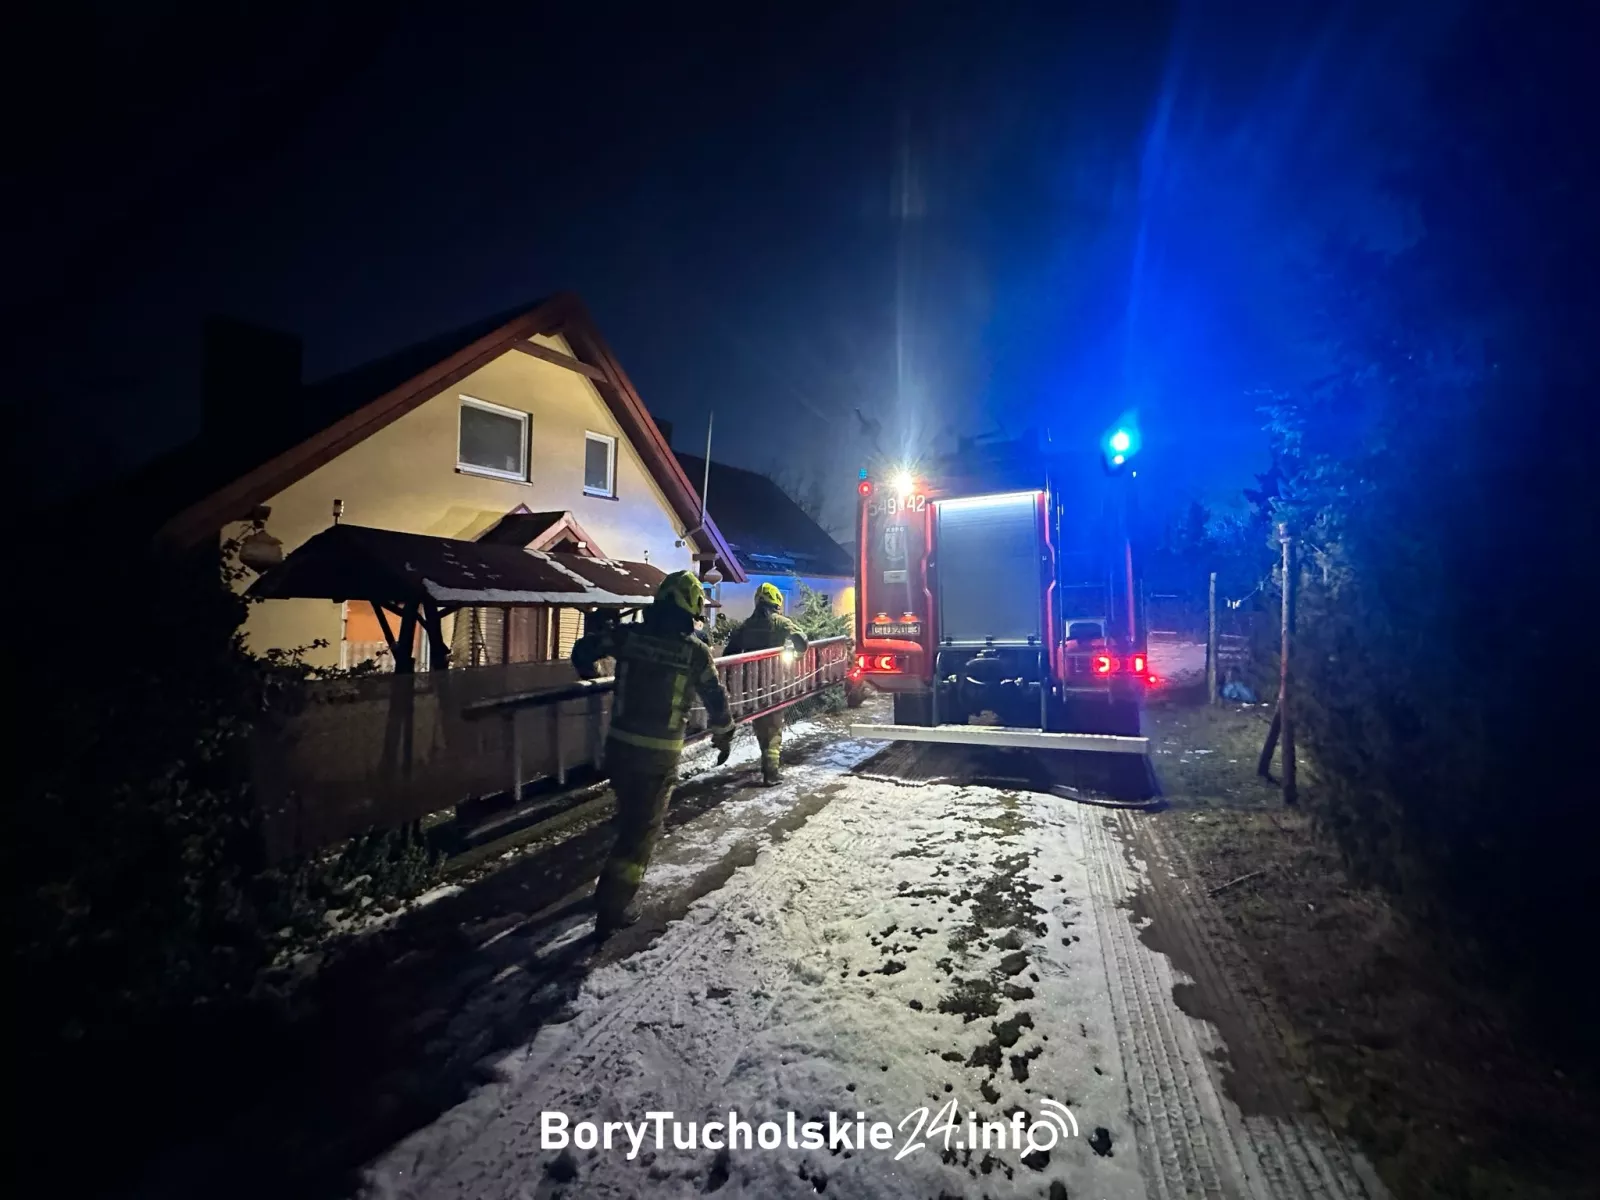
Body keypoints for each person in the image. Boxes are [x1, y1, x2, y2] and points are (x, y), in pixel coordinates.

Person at [571, 570, 734, 937]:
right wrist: (724, 736)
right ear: (690, 609)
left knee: (629, 819)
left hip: (619, 748)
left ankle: (609, 888)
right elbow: (715, 699)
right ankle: (613, 907)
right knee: (640, 833)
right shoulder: (695, 652)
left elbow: (583, 649)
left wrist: (589, 671)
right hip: (658, 757)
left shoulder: (629, 636)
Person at [724, 582, 809, 785]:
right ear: (777, 602)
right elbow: (802, 641)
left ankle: (766, 762)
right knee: (773, 727)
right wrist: (798, 655)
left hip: (750, 685)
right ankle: (771, 773)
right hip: (773, 682)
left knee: (761, 725)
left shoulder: (746, 625)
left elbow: (730, 652)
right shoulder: (780, 622)